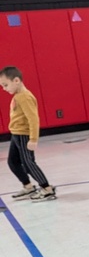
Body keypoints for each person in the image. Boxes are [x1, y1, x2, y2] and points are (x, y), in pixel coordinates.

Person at [0, 66, 57, 201]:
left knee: (28, 163)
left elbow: (33, 118)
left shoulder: (24, 97)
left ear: (16, 80)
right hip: (16, 134)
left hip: (24, 135)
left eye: (5, 85)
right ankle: (28, 187)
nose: (4, 89)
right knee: (13, 162)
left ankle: (47, 189)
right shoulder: (18, 96)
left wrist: (33, 139)